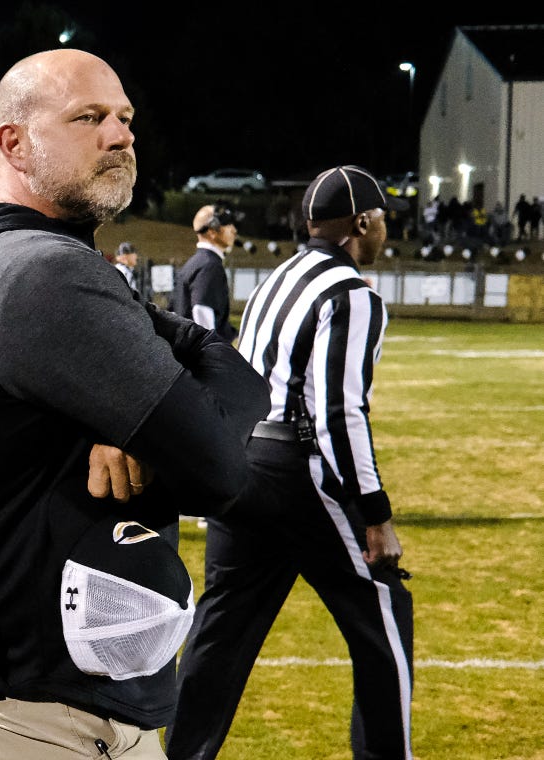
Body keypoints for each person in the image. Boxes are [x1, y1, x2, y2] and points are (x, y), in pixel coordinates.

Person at [0, 48, 269, 760]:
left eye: (125, 118)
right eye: (88, 118)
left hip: (34, 668)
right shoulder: (42, 272)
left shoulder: (11, 259)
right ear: (14, 141)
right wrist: (182, 365)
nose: (121, 136)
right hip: (49, 689)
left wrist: (133, 404)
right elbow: (221, 465)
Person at [166, 165, 414, 760]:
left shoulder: (281, 274)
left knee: (221, 631)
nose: (385, 232)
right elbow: (338, 410)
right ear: (361, 222)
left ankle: (180, 754)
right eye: (381, 220)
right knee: (384, 610)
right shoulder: (353, 293)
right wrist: (374, 512)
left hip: (243, 459)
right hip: (296, 467)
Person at [172, 203, 241, 344]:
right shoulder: (210, 265)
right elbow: (201, 312)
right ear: (212, 232)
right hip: (200, 358)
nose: (234, 230)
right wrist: (213, 353)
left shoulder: (194, 263)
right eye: (227, 225)